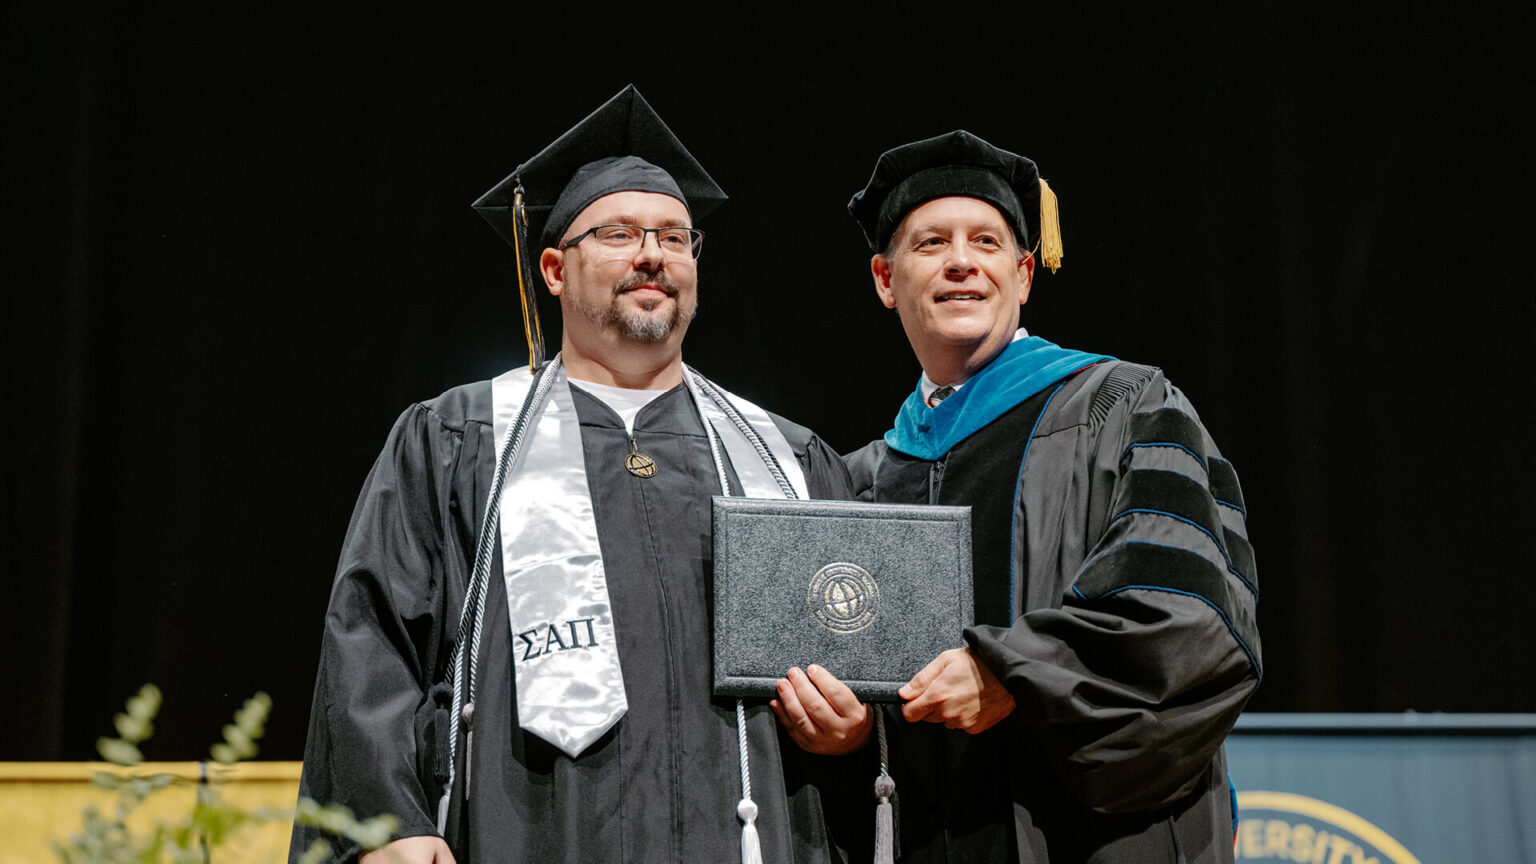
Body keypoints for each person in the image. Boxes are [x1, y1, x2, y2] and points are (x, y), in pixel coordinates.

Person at [289, 86, 855, 864]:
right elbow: (372, 643)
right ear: (555, 268)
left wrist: (855, 726)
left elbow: (858, 661)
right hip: (523, 836)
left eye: (675, 236)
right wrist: (389, 825)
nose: (652, 253)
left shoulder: (780, 459)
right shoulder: (459, 439)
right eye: (619, 233)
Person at [821, 130, 1263, 863]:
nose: (961, 262)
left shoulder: (1124, 409)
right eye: (931, 243)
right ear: (884, 278)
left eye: (987, 243)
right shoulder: (859, 477)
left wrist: (1014, 676)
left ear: (1023, 275)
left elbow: (1190, 624)